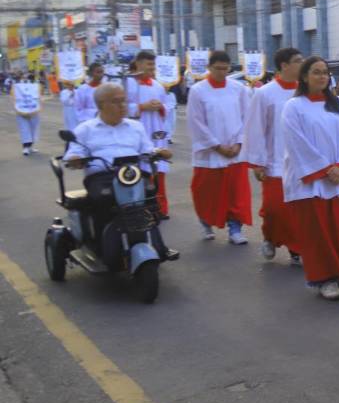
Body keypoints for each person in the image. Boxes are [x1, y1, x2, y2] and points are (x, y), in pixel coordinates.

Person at [282, 56, 339, 301]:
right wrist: (324, 169)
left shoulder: (338, 103)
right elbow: (296, 142)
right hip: (313, 181)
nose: (322, 76)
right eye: (316, 72)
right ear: (304, 77)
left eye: (324, 72)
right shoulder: (294, 106)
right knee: (319, 233)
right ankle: (323, 278)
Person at [65, 82, 176, 260]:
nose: (122, 105)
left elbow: (147, 149)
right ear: (101, 105)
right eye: (116, 102)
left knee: (150, 195)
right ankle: (101, 248)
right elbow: (74, 153)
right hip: (102, 177)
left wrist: (159, 152)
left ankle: (155, 242)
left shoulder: (136, 126)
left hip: (132, 174)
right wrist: (75, 159)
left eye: (124, 101)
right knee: (103, 200)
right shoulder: (85, 129)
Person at [244, 48, 304, 265]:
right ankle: (269, 237)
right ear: (284, 65)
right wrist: (258, 162)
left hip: (302, 163)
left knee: (299, 210)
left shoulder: (305, 92)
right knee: (274, 210)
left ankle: (297, 249)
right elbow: (256, 128)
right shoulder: (265, 93)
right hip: (275, 162)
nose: (302, 64)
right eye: (297, 61)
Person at [187, 51, 253, 244]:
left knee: (236, 194)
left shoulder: (238, 89)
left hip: (235, 152)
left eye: (225, 69)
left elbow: (247, 117)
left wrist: (239, 142)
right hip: (210, 153)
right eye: (218, 68)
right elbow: (196, 122)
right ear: (209, 67)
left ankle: (235, 230)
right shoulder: (198, 90)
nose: (222, 72)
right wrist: (216, 146)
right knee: (205, 192)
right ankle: (206, 222)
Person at [125, 50, 175, 216]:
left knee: (158, 167)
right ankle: (141, 208)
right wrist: (141, 107)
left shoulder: (157, 85)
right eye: (148, 64)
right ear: (138, 64)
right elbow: (122, 109)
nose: (152, 68)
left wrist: (160, 107)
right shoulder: (128, 84)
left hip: (156, 131)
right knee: (139, 171)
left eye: (153, 65)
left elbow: (167, 107)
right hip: (137, 132)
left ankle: (160, 208)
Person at [13, 73, 41, 155]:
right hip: (22, 112)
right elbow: (15, 99)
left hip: (33, 112)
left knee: (33, 130)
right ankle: (25, 148)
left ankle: (30, 147)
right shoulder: (17, 87)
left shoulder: (36, 87)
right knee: (25, 129)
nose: (27, 81)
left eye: (30, 79)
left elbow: (38, 98)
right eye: (25, 79)